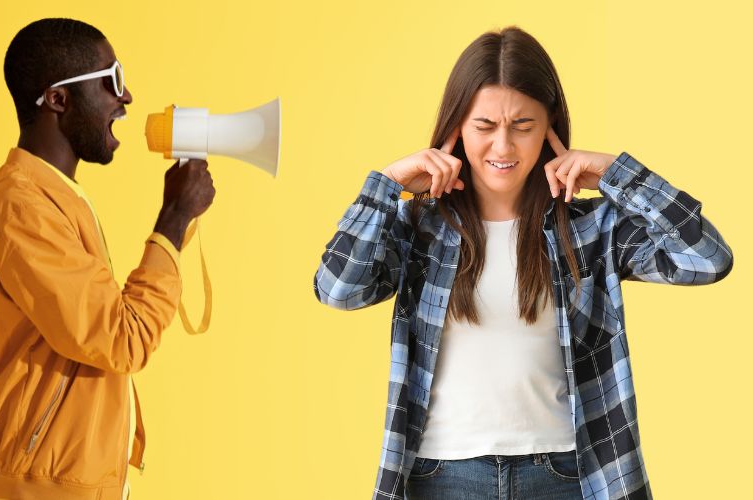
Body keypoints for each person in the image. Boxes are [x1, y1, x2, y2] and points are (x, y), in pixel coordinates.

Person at [314, 26, 732, 500]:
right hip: (442, 476)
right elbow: (338, 289)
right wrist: (385, 185)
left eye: (523, 126)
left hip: (566, 475)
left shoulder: (592, 229)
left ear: (551, 126)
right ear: (455, 129)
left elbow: (708, 259)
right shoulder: (419, 229)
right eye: (485, 127)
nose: (503, 148)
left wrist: (620, 174)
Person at [0, 18, 214, 500]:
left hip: (67, 478)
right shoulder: (21, 208)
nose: (127, 98)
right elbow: (122, 339)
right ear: (58, 99)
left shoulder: (50, 198)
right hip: (47, 484)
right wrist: (174, 217)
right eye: (112, 80)